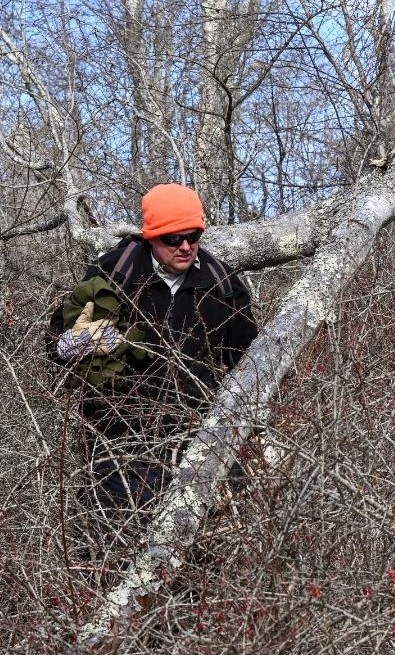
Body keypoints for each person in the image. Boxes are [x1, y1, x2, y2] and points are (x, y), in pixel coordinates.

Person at [50, 183, 257, 528]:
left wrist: (257, 432)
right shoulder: (115, 273)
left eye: (193, 235)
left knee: (212, 546)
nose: (186, 246)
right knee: (117, 542)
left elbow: (249, 362)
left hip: (197, 438)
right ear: (151, 236)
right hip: (119, 439)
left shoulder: (222, 284)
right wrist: (77, 342)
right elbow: (54, 341)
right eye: (173, 239)